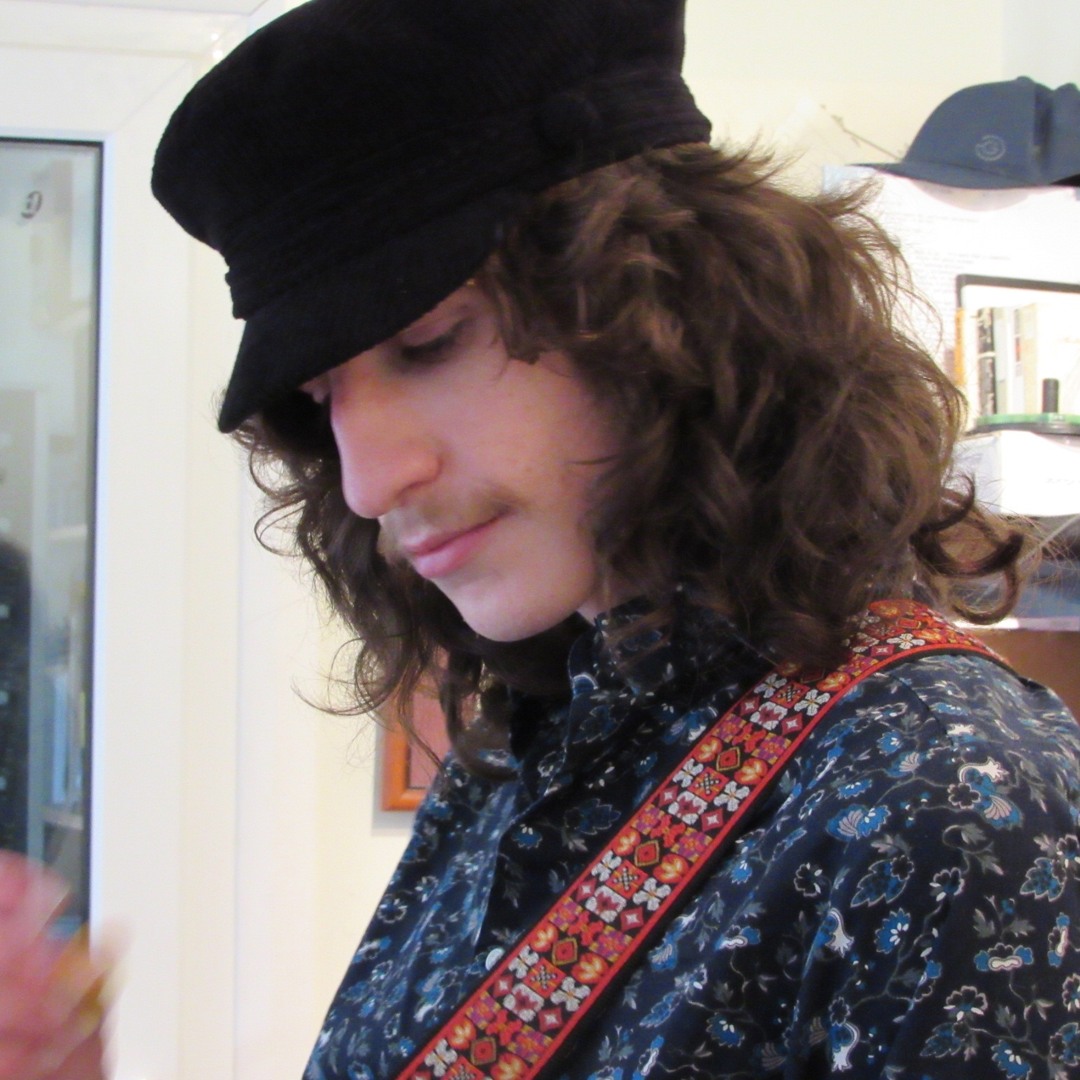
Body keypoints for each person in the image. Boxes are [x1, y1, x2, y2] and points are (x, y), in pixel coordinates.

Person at [3, 0, 1079, 1077]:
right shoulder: (531, 740)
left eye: (430, 342)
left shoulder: (952, 800)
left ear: (679, 301)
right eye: (322, 398)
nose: (369, 482)